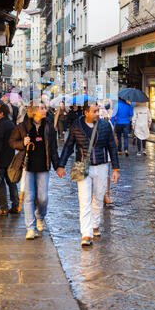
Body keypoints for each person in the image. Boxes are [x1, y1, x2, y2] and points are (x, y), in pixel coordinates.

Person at [56, 102, 120, 247]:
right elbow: (68, 147)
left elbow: (111, 146)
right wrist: (61, 165)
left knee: (98, 197)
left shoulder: (105, 126)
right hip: (81, 165)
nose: (98, 113)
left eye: (98, 111)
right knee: (84, 200)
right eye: (94, 111)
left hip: (102, 166)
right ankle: (86, 234)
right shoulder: (76, 126)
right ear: (86, 112)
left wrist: (116, 169)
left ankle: (95, 224)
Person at [9, 102, 59, 240]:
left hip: (44, 167)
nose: (45, 110)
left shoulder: (48, 126)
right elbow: (12, 142)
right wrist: (22, 143)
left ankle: (40, 216)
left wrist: (58, 166)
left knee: (43, 198)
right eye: (42, 108)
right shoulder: (23, 126)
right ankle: (30, 228)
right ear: (34, 111)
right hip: (28, 166)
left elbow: (53, 148)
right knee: (29, 197)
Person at [0, 104, 19, 216]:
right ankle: (15, 205)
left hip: (1, 160)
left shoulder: (0, 126)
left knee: (0, 183)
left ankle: (3, 208)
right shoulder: (11, 124)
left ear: (2, 113)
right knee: (11, 182)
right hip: (10, 158)